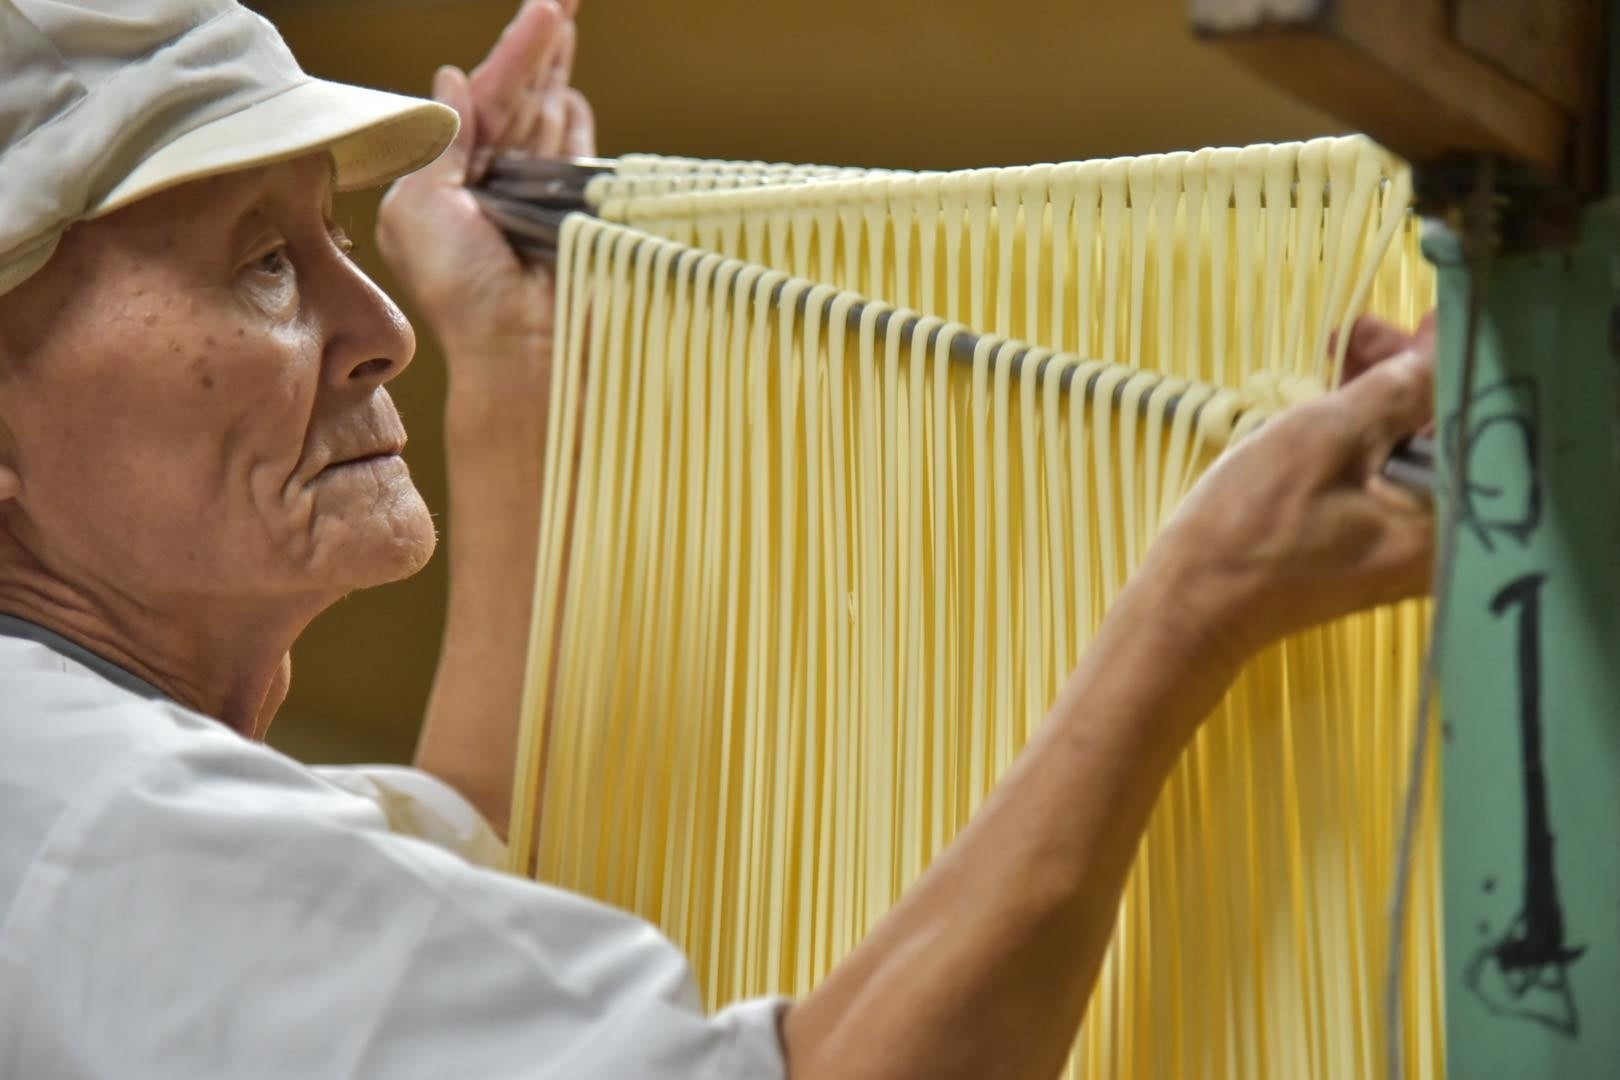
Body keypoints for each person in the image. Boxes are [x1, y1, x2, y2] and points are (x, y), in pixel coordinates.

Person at [0, 1, 1435, 1077]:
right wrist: (1193, 608)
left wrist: (512, 357)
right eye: (261, 262)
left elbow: (462, 892)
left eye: (339, 240)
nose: (380, 333)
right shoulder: (97, 817)